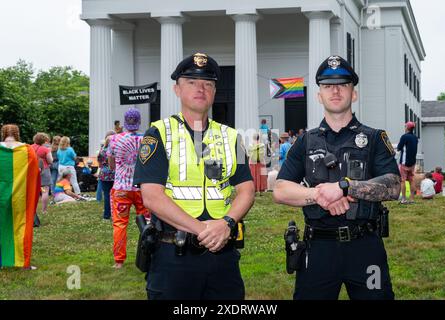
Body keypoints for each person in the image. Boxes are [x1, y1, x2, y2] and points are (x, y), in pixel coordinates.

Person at [273, 55, 400, 300]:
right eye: (328, 86)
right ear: (319, 95)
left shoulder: (374, 138)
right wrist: (318, 195)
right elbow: (280, 189)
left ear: (354, 94)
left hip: (365, 248)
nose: (335, 91)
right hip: (318, 249)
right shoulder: (306, 141)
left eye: (343, 85)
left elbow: (394, 185)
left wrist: (345, 188)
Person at [133, 52, 254, 300]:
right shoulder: (157, 134)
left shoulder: (232, 137)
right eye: (191, 82)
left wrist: (227, 223)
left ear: (214, 91)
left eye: (208, 84)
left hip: (223, 255)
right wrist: (203, 231)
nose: (201, 88)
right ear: (177, 89)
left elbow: (247, 189)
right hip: (174, 256)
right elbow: (152, 197)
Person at [107, 107, 150, 269]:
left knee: (119, 224)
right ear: (139, 121)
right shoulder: (147, 138)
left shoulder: (114, 139)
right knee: (147, 223)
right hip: (142, 188)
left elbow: (111, 165)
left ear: (125, 121)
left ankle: (119, 261)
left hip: (121, 188)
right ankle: (148, 257)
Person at [0, 124, 40, 269]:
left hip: (1, 195)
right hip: (20, 196)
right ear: (17, 134)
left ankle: (2, 261)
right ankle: (23, 262)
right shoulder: (27, 150)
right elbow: (34, 172)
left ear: (3, 133)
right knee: (22, 225)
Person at [31, 132, 53, 215]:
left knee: (32, 191)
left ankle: (32, 209)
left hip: (32, 171)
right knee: (44, 190)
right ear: (44, 140)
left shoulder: (30, 147)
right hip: (44, 171)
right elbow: (50, 160)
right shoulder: (45, 149)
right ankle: (44, 210)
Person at [397, 121, 419, 204]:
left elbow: (399, 148)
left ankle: (403, 199)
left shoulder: (404, 136)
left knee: (403, 181)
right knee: (411, 181)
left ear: (407, 128)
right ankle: (412, 199)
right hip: (412, 162)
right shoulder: (415, 137)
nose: (405, 127)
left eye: (405, 126)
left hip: (404, 163)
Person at [97, 131, 116, 220]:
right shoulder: (116, 149)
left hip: (104, 174)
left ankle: (106, 215)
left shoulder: (102, 150)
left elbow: (100, 164)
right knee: (116, 195)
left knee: (107, 195)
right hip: (115, 174)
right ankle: (116, 214)